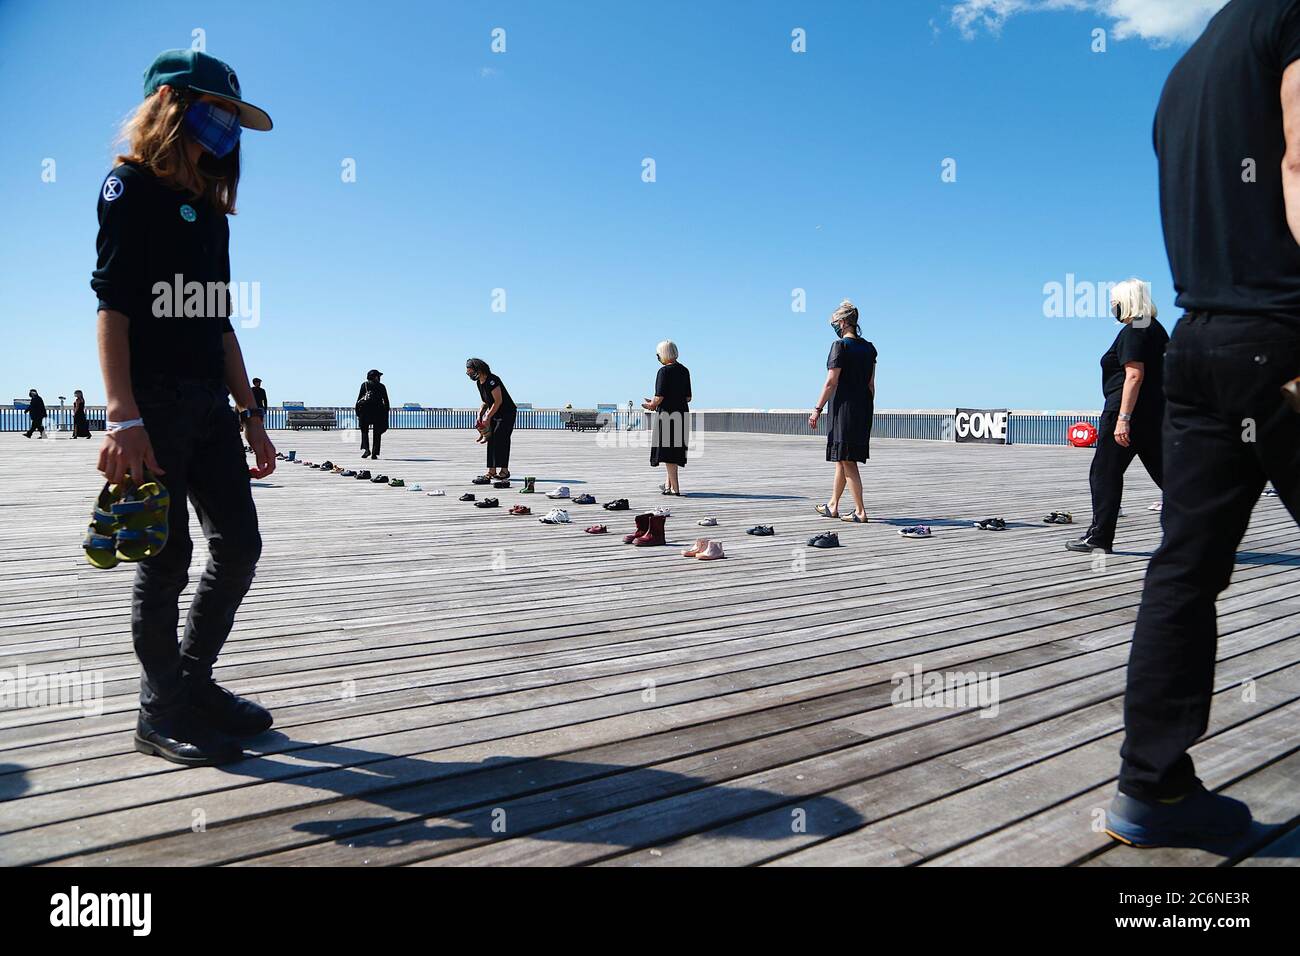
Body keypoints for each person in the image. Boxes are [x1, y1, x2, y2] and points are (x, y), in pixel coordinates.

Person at [1106, 0, 1300, 849]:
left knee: (1183, 571)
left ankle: (1152, 789)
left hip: (1200, 346)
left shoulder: (1183, 73)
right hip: (1286, 338)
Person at [91, 49, 276, 767]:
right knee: (165, 560)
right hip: (155, 404)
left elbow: (220, 322)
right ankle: (158, 709)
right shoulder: (128, 187)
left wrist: (250, 412)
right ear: (174, 104)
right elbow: (112, 306)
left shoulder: (212, 215)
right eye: (218, 109)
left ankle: (193, 684)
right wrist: (122, 417)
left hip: (206, 405)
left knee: (239, 545)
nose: (227, 124)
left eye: (232, 114)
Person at [1067, 279, 1168, 555]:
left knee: (1104, 473)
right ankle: (1204, 534)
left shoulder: (1134, 329)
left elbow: (1134, 375)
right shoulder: (1156, 330)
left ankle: (1100, 537)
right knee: (1169, 478)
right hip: (1154, 415)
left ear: (1127, 301)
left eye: (1115, 302)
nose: (1113, 306)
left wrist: (1123, 417)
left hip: (1126, 414)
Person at [809, 300, 877, 523]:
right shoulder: (869, 348)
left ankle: (860, 511)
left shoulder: (840, 346)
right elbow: (870, 385)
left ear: (844, 322)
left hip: (843, 409)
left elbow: (831, 381)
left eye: (836, 322)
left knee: (848, 462)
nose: (835, 326)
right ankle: (833, 505)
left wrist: (817, 409)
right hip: (863, 409)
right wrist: (865, 410)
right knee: (842, 458)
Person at [642, 341, 691, 495]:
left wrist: (651, 405)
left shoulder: (663, 372)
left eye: (658, 355)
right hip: (681, 413)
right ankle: (667, 486)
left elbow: (659, 397)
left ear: (662, 355)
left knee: (668, 452)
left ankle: (676, 488)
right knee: (675, 450)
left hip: (667, 415)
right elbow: (688, 397)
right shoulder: (684, 370)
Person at [467, 358, 517, 479]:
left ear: (478, 369)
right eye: (468, 373)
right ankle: (492, 471)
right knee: (492, 439)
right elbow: (485, 402)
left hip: (507, 412)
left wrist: (488, 417)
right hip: (494, 413)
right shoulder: (479, 383)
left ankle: (504, 470)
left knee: (501, 437)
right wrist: (480, 415)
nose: (469, 374)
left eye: (470, 371)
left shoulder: (492, 380)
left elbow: (498, 401)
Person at [355, 369, 389, 459]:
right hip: (378, 412)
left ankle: (366, 450)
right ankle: (374, 453)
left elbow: (359, 398)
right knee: (377, 433)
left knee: (364, 431)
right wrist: (386, 414)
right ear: (376, 377)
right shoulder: (382, 386)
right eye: (379, 376)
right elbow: (386, 401)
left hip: (365, 412)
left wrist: (357, 411)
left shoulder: (364, 385)